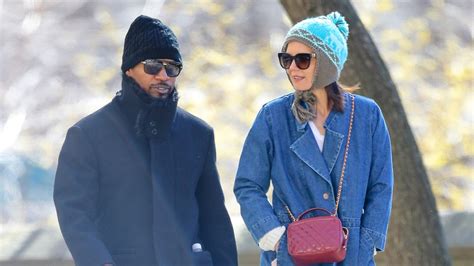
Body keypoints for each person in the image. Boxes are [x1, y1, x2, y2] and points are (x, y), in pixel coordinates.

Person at [54, 15, 237, 266]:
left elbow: (215, 220)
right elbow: (73, 213)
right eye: (152, 66)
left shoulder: (198, 134)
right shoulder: (87, 135)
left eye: (172, 67)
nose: (163, 75)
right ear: (129, 68)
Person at [234, 11, 393, 265]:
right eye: (286, 59)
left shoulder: (367, 115)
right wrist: (276, 239)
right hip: (291, 256)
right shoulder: (272, 117)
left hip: (351, 255)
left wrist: (367, 244)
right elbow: (248, 185)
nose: (293, 68)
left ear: (328, 62)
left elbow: (381, 185)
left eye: (303, 59)